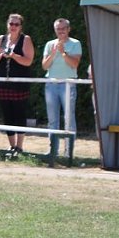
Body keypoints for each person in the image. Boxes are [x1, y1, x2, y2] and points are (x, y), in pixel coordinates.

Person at [0, 13, 35, 157]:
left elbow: (28, 61)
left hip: (20, 83)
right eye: (11, 24)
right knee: (7, 114)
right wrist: (0, 55)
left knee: (20, 113)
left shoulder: (25, 39)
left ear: (21, 26)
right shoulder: (1, 39)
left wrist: (13, 55)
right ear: (7, 25)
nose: (13, 27)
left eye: (16, 24)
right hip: (3, 83)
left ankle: (20, 147)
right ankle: (11, 146)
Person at [43, 18, 82, 157]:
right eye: (58, 29)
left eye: (63, 28)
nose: (60, 31)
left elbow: (74, 64)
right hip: (51, 83)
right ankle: (53, 150)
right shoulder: (49, 44)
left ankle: (68, 152)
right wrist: (54, 53)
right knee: (52, 119)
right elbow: (45, 66)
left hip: (68, 84)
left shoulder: (76, 43)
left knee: (69, 118)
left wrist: (63, 52)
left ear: (68, 29)